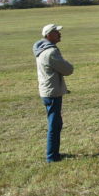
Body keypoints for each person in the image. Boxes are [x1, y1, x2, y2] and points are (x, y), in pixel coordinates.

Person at [33, 24, 74, 163]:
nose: (59, 34)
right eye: (57, 32)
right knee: (54, 124)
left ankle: (54, 154)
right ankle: (52, 156)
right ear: (49, 35)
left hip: (47, 90)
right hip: (52, 92)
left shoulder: (41, 49)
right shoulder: (51, 52)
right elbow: (68, 70)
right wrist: (68, 63)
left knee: (56, 122)